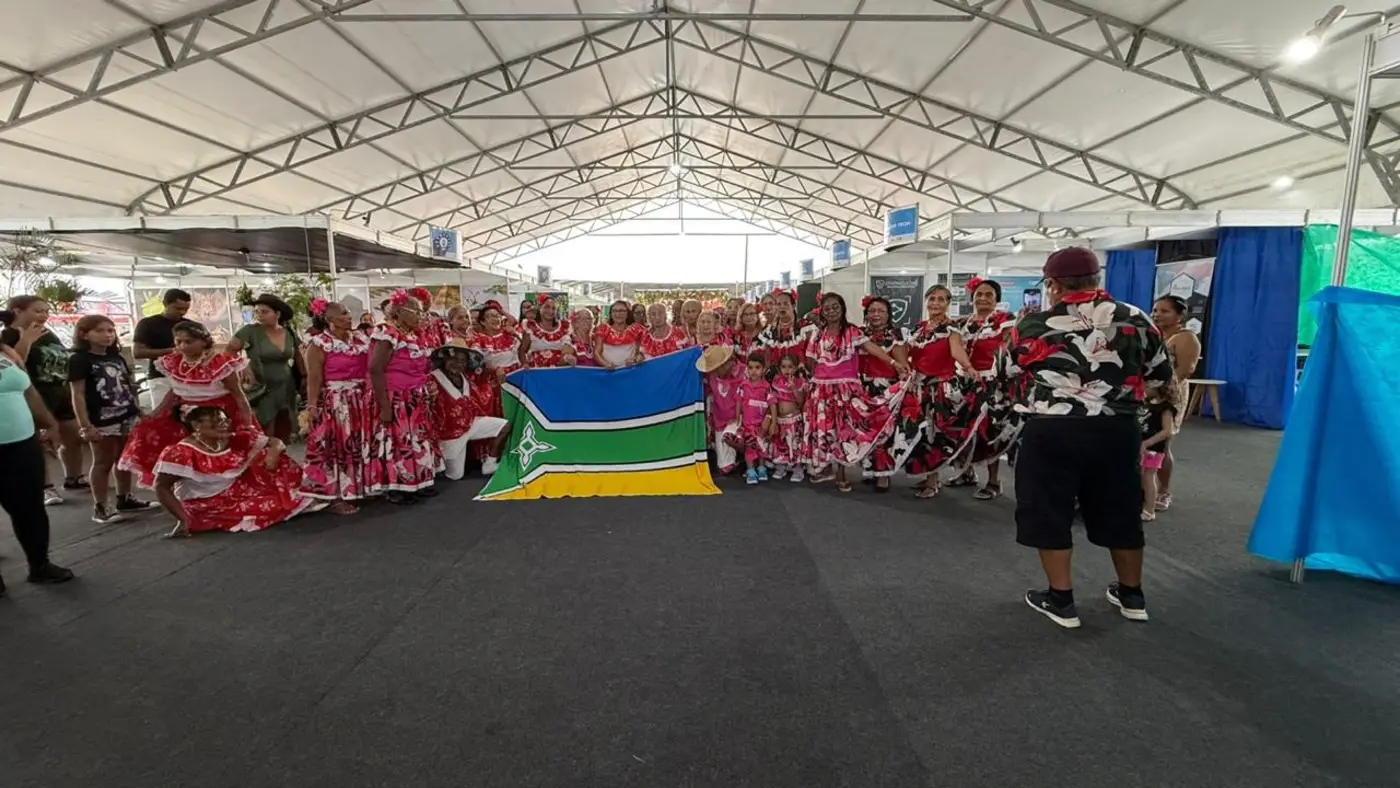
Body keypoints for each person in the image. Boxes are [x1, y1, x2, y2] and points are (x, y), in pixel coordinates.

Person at [1009, 247, 1173, 628]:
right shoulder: (1136, 318)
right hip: (1116, 429)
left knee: (1048, 510)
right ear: (1097, 279)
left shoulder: (1034, 324)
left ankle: (1061, 600)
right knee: (1121, 510)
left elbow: (1010, 370)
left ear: (1053, 284)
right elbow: (1160, 375)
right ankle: (1132, 596)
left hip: (1052, 429)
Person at [118, 321, 256, 489]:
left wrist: (248, 424)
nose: (183, 346)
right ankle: (185, 493)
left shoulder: (220, 364)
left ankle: (218, 493)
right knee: (178, 456)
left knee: (222, 459)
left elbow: (238, 395)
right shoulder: (172, 362)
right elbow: (174, 392)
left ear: (204, 341)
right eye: (178, 341)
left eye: (189, 341)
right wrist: (155, 414)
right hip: (185, 416)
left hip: (217, 417)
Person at [154, 406, 318, 537]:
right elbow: (161, 486)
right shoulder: (180, 453)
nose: (223, 425)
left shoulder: (232, 438)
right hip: (207, 505)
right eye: (215, 421)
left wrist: (273, 453)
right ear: (196, 425)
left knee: (274, 459)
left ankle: (294, 494)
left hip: (236, 491)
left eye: (225, 420)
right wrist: (182, 520)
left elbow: (276, 442)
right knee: (272, 505)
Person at [803, 293, 910, 492]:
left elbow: (871, 348)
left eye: (835, 307)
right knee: (825, 430)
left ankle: (843, 473)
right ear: (822, 312)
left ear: (842, 309)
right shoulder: (817, 335)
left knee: (844, 431)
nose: (831, 311)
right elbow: (811, 360)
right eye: (827, 308)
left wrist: (894, 363)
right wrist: (816, 382)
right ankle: (827, 468)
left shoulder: (851, 332)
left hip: (845, 391)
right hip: (822, 390)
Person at [0, 338, 75, 594]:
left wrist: (50, 423)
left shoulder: (5, 353)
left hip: (21, 444)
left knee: (30, 508)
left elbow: (27, 389)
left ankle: (40, 566)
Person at [67, 314, 155, 523]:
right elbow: (77, 394)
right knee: (102, 461)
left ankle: (125, 497)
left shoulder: (116, 357)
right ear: (84, 334)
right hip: (101, 418)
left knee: (124, 459)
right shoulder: (79, 359)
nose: (107, 335)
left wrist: (136, 409)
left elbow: (126, 386)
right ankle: (100, 506)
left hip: (125, 414)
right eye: (99, 331)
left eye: (110, 330)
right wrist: (85, 425)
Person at [1, 295, 86, 504]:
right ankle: (46, 487)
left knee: (72, 435)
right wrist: (27, 340)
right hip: (35, 393)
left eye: (47, 311)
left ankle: (74, 477)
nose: (44, 315)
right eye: (38, 311)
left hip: (59, 390)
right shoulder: (9, 335)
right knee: (42, 441)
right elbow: (13, 365)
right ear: (18, 311)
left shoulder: (48, 333)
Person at [903, 285, 976, 499]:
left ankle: (933, 481)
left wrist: (969, 367)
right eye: (932, 298)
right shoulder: (919, 328)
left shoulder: (951, 328)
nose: (936, 303)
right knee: (920, 433)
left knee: (934, 434)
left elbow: (956, 350)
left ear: (948, 303)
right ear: (926, 301)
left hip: (939, 389)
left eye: (941, 299)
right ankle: (928, 474)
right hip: (919, 387)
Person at [368, 290, 441, 504]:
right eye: (415, 311)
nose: (420, 315)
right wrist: (385, 406)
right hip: (396, 399)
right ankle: (396, 487)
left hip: (415, 398)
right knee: (398, 442)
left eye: (421, 312)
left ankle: (417, 482)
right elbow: (375, 369)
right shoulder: (388, 334)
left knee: (416, 441)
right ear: (399, 312)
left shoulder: (413, 335)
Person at [301, 299, 373, 514]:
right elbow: (314, 379)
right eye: (343, 313)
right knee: (337, 447)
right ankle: (335, 496)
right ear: (329, 319)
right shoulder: (319, 344)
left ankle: (356, 488)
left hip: (360, 400)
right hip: (336, 402)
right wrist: (312, 406)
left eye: (348, 313)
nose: (348, 317)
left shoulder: (360, 339)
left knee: (358, 444)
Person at [952, 278, 1022, 500]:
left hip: (992, 384)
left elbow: (1009, 349)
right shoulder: (962, 323)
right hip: (965, 383)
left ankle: (994, 481)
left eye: (988, 294)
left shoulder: (1005, 321)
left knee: (990, 432)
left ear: (996, 299)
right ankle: (966, 472)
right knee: (962, 430)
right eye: (979, 294)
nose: (983, 298)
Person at [226, 294, 302, 442]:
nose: (259, 315)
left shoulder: (289, 332)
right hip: (261, 386)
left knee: (284, 429)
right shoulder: (250, 331)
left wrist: (305, 378)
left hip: (286, 386)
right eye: (257, 312)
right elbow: (229, 351)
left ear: (277, 314)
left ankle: (281, 454)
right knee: (265, 429)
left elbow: (299, 356)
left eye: (264, 312)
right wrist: (243, 365)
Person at [429, 339, 508, 481]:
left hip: (471, 424)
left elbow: (481, 393)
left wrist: (496, 373)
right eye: (454, 359)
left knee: (505, 426)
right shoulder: (432, 379)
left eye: (462, 361)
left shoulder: (465, 377)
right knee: (455, 476)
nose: (458, 364)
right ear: (445, 358)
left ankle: (490, 463)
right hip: (449, 435)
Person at [1150, 295, 1201, 512]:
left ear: (1180, 316)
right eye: (1155, 310)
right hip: (1147, 393)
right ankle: (1146, 486)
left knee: (1162, 443)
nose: (1157, 314)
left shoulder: (1186, 338)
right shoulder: (1153, 334)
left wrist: (1161, 392)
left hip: (1169, 396)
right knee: (1145, 441)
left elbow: (1185, 370)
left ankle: (1164, 491)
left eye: (1164, 311)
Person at [857, 296, 911, 492]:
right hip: (863, 388)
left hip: (885, 389)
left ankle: (883, 475)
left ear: (888, 315)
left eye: (881, 311)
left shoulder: (896, 335)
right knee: (866, 431)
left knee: (884, 432)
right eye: (872, 311)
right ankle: (871, 469)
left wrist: (903, 380)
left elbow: (902, 364)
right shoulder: (860, 334)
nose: (876, 315)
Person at [132, 288, 192, 409]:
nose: (182, 312)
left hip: (188, 377)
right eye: (178, 308)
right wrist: (171, 351)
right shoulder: (147, 324)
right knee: (163, 413)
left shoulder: (190, 325)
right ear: (165, 304)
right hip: (160, 377)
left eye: (186, 309)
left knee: (190, 412)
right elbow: (138, 352)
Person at [696, 345, 743, 474]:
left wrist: (739, 418)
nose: (713, 372)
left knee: (733, 438)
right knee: (724, 468)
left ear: (725, 365)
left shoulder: (742, 372)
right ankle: (735, 458)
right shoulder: (711, 377)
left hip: (739, 420)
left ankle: (747, 454)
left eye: (716, 368)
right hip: (719, 422)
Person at [731, 352, 776, 485]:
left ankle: (761, 468)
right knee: (750, 448)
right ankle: (750, 470)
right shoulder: (743, 385)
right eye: (750, 368)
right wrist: (737, 418)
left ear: (763, 369)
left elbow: (772, 404)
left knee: (762, 447)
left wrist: (773, 422)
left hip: (761, 425)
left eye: (757, 367)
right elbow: (739, 401)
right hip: (748, 425)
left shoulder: (766, 387)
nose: (754, 371)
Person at [1139, 384, 1180, 523]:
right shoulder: (1147, 403)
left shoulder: (1166, 408)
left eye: (1147, 385)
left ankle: (1149, 510)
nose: (1144, 388)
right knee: (1142, 477)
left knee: (1149, 476)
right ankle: (1143, 504)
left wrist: (1148, 442)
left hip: (1153, 448)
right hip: (1143, 445)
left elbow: (1167, 431)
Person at [768, 353, 807, 482]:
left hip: (794, 420)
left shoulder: (799, 382)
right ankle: (781, 465)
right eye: (783, 367)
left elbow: (801, 401)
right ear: (779, 368)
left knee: (796, 444)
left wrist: (794, 388)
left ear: (795, 368)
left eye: (790, 367)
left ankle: (798, 468)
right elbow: (773, 401)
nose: (787, 370)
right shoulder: (776, 382)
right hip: (781, 420)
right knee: (781, 443)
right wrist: (773, 420)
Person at [756, 288, 810, 379]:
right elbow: (765, 358)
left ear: (793, 306)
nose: (782, 307)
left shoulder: (806, 327)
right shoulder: (770, 331)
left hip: (801, 378)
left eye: (785, 303)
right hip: (776, 379)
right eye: (779, 304)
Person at [521, 294, 574, 368]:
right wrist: (524, 363)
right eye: (547, 307)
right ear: (539, 307)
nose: (551, 311)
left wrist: (568, 357)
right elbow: (522, 350)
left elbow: (569, 349)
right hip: (536, 372)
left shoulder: (564, 327)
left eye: (554, 308)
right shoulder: (531, 327)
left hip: (559, 371)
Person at [593, 300, 644, 369]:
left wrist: (636, 358)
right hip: (608, 373)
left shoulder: (636, 330)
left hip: (630, 371)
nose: (618, 314)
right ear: (611, 314)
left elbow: (639, 352)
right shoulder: (603, 329)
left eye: (621, 311)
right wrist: (606, 364)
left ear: (627, 314)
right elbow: (596, 353)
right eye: (614, 311)